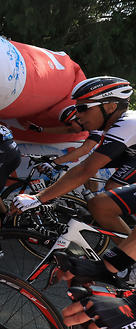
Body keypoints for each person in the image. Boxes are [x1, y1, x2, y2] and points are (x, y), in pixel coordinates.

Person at [13, 76, 135, 239]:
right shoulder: (109, 126)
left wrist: (38, 198)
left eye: (83, 108)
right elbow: (87, 163)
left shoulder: (128, 124)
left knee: (107, 194)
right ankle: (127, 258)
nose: (78, 115)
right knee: (99, 204)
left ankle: (127, 257)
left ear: (111, 107)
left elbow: (84, 169)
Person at [35, 104, 102, 199]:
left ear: (79, 120)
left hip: (126, 153)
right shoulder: (87, 124)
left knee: (111, 185)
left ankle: (100, 203)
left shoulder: (96, 126)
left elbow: (85, 149)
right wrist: (41, 129)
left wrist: (54, 162)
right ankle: (95, 200)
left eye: (69, 123)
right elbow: (68, 129)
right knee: (87, 169)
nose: (69, 126)